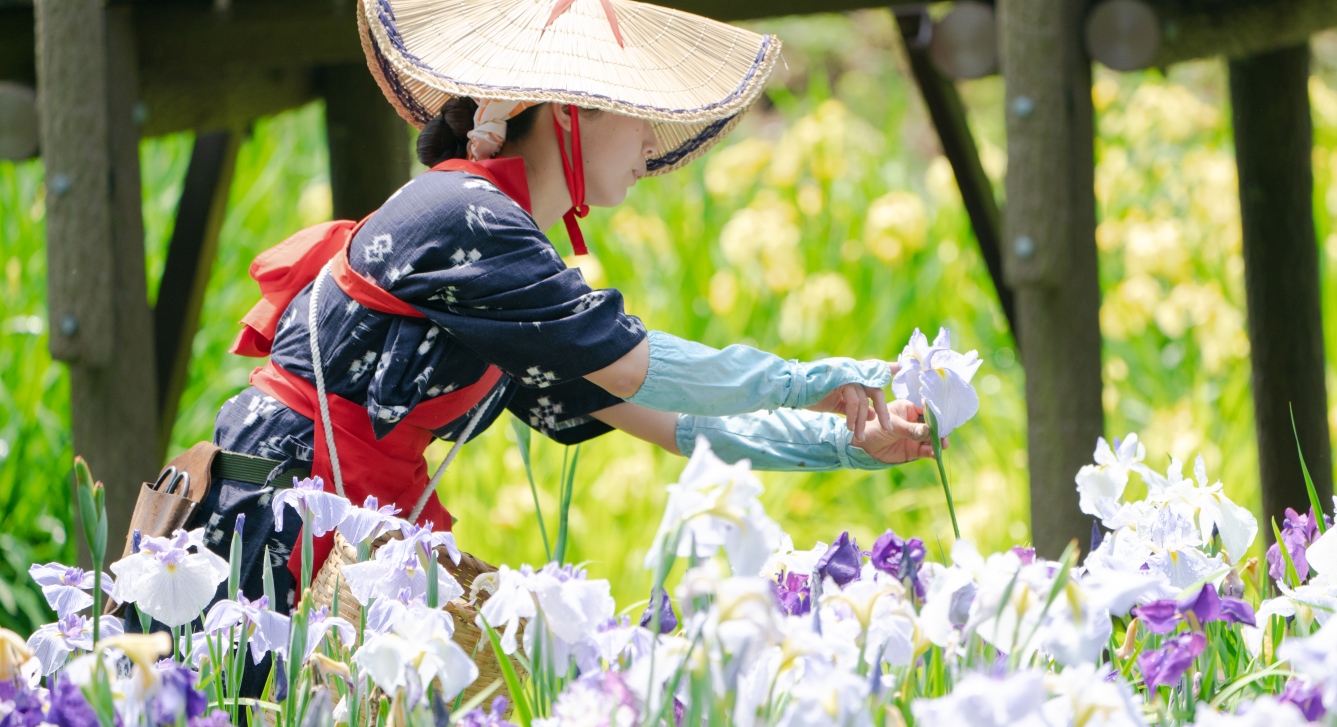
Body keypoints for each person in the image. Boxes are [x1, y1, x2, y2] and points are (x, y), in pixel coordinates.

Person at [187, 0, 941, 653]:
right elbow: (636, 369)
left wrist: (846, 440)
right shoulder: (463, 217)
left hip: (344, 528)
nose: (654, 140)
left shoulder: (500, 252)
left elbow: (671, 423)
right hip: (275, 523)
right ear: (573, 113)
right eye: (642, 113)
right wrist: (814, 380)